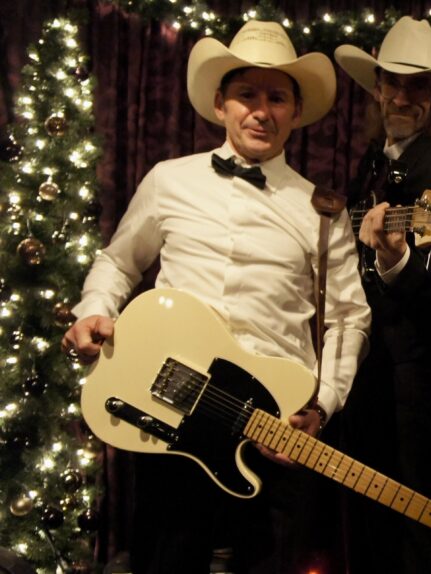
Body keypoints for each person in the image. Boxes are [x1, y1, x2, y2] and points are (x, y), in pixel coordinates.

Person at [60, 20, 370, 573]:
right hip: (169, 406)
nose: (261, 110)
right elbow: (118, 261)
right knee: (166, 557)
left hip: (275, 422)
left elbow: (348, 319)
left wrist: (321, 403)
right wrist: (95, 310)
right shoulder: (168, 179)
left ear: (296, 113)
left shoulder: (323, 210)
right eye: (247, 94)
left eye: (277, 97)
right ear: (220, 103)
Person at [331, 16, 431, 574]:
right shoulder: (379, 159)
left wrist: (396, 256)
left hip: (409, 370)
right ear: (375, 86)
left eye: (416, 85)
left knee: (411, 506)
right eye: (391, 82)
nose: (400, 95)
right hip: (369, 362)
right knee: (371, 503)